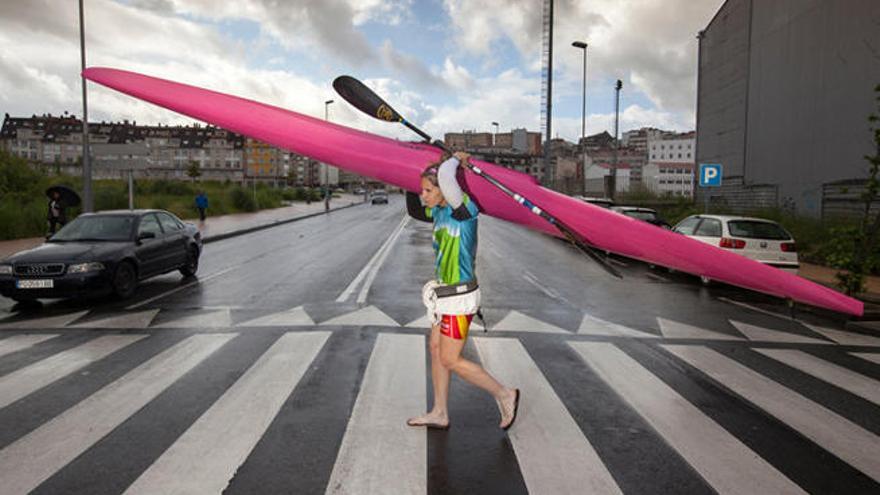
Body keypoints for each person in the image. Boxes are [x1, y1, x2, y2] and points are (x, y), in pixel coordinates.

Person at [405, 151, 520, 431]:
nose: (424, 196)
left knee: (450, 358)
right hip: (443, 296)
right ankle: (440, 412)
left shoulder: (464, 211)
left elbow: (445, 175)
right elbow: (413, 206)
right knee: (435, 349)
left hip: (460, 298)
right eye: (423, 190)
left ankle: (505, 394)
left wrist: (455, 159)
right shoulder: (439, 211)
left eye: (428, 190)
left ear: (445, 189)